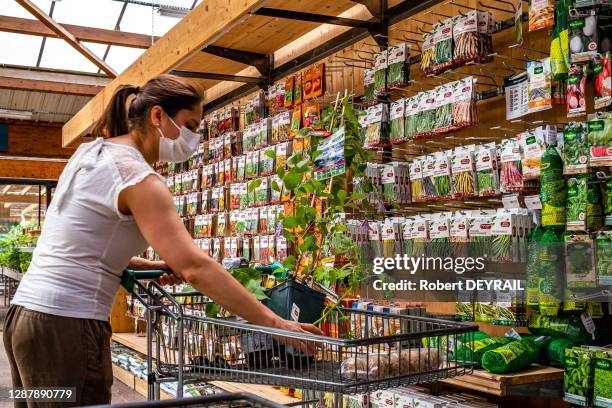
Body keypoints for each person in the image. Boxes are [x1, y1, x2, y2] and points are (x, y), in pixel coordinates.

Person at [3, 75, 321, 407]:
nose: (193, 137)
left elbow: (78, 242)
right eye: (189, 124)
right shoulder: (138, 177)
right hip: (65, 327)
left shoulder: (92, 153)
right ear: (158, 117)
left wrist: (150, 264)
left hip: (26, 322)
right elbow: (195, 267)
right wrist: (276, 323)